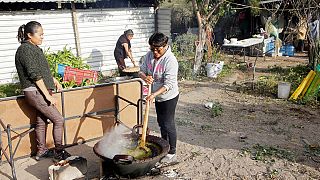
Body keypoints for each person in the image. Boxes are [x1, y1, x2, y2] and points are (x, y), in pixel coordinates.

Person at [15, 21, 71, 162]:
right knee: (58, 120)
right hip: (35, 92)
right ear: (29, 35)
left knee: (41, 122)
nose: (42, 37)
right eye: (40, 34)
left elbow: (41, 70)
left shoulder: (34, 48)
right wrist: (48, 97)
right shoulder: (25, 50)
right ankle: (58, 151)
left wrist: (53, 80)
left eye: (42, 35)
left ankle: (41, 151)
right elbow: (34, 74)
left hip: (38, 91)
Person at [139, 32, 179, 163]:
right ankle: (165, 146)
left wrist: (154, 95)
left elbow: (169, 84)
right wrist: (146, 77)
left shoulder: (170, 60)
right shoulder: (149, 56)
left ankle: (172, 152)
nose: (155, 52)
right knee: (161, 123)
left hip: (169, 96)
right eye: (152, 49)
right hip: (156, 96)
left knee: (168, 123)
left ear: (165, 45)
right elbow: (141, 71)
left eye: (158, 49)